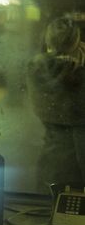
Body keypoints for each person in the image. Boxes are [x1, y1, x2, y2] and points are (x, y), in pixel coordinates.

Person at [27, 16, 85, 194]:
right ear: (76, 42)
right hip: (79, 153)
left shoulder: (36, 66)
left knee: (50, 197)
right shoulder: (78, 71)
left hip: (52, 155)